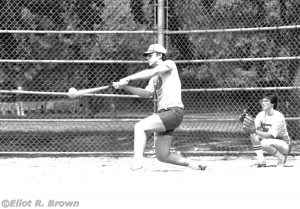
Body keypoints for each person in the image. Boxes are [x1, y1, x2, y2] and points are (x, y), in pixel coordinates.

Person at [112, 43, 206, 171]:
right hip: (165, 115)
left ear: (160, 55)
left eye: (150, 55)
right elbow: (146, 93)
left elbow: (152, 72)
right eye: (147, 56)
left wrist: (127, 78)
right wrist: (125, 87)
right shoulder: (154, 79)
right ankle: (194, 164)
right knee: (162, 156)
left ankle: (137, 162)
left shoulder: (169, 64)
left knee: (140, 127)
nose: (147, 58)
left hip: (173, 112)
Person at [249, 92, 291, 167]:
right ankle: (261, 161)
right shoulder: (260, 115)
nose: (263, 103)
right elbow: (256, 130)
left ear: (273, 103)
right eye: (262, 101)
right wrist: (249, 127)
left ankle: (282, 157)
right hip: (269, 141)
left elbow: (271, 135)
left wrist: (255, 131)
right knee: (253, 135)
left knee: (264, 142)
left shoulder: (278, 117)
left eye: (266, 101)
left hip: (284, 144)